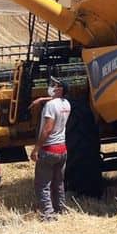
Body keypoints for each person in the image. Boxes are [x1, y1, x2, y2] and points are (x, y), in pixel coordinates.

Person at [28, 80, 72, 220]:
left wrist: (36, 149)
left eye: (56, 86)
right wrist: (41, 99)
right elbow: (56, 100)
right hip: (62, 149)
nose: (53, 88)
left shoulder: (50, 106)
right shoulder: (66, 104)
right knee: (58, 182)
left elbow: (47, 129)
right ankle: (61, 209)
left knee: (42, 184)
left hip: (49, 149)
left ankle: (48, 214)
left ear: (60, 90)